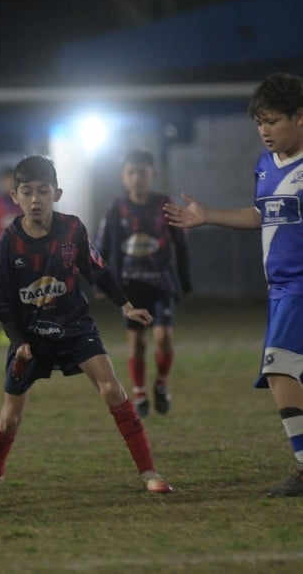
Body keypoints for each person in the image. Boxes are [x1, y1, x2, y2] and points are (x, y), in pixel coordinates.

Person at [0, 155, 173, 495]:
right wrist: (18, 339)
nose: (35, 200)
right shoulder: (9, 243)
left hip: (74, 327)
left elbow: (97, 270)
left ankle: (149, 473)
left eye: (43, 191)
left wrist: (126, 305)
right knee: (10, 416)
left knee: (112, 388)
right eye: (27, 192)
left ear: (57, 193)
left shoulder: (72, 229)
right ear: (15, 197)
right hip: (30, 337)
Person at [164, 72, 303, 498]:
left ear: (300, 117)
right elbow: (264, 215)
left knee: (280, 371)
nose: (264, 131)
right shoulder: (266, 166)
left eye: (273, 121)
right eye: (259, 123)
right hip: (282, 291)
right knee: (286, 373)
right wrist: (209, 216)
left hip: (299, 289)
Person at [96, 149, 192, 417]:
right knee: (137, 343)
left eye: (142, 172)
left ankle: (161, 384)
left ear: (153, 175)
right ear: (123, 177)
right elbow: (102, 247)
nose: (137, 178)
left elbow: (180, 243)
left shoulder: (164, 205)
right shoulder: (117, 208)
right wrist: (102, 283)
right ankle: (139, 393)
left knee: (163, 339)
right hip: (130, 287)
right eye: (131, 173)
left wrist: (184, 281)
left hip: (161, 284)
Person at [0, 167, 24, 344]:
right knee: (3, 293)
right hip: (0, 253)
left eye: (11, 180)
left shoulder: (24, 201)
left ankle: (28, 327)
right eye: (5, 180)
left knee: (24, 291)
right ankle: (6, 330)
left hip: (22, 252)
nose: (8, 183)